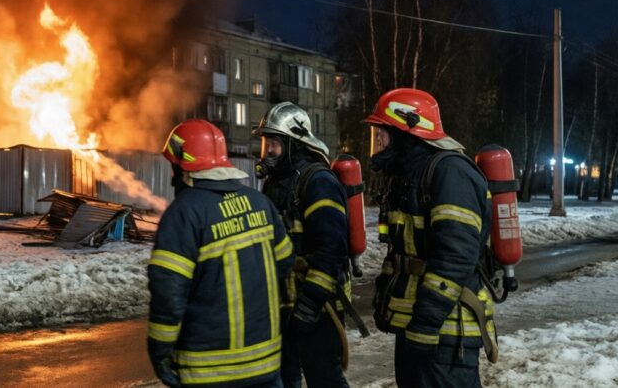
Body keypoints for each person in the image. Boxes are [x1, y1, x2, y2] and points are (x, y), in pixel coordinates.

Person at [148, 118, 295, 387]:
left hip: (209, 370)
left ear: (181, 165)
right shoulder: (260, 203)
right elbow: (285, 263)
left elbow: (168, 294)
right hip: (266, 364)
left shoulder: (184, 213)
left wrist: (159, 351)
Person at [365, 88, 495, 388]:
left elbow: (455, 257)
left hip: (447, 332)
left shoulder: (451, 172)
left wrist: (426, 321)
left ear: (406, 130)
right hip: (420, 327)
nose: (378, 141)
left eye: (382, 132)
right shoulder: (411, 175)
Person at [254, 102, 351, 388]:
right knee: (285, 379)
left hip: (320, 305)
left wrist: (311, 302)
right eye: (266, 143)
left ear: (294, 144)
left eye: (274, 143)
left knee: (325, 379)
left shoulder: (317, 180)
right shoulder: (276, 182)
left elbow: (331, 249)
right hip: (285, 303)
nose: (268, 151)